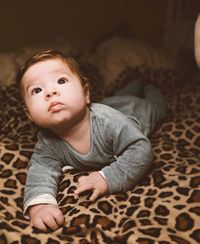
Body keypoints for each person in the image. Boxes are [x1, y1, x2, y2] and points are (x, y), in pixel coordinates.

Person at [17, 50, 166, 232]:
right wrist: (40, 204)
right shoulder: (47, 143)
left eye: (61, 81)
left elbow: (140, 149)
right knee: (114, 99)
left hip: (136, 111)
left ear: (86, 94)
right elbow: (41, 172)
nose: (50, 92)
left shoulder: (107, 122)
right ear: (29, 115)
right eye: (37, 90)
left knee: (157, 107)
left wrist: (107, 178)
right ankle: (132, 85)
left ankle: (150, 88)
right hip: (112, 103)